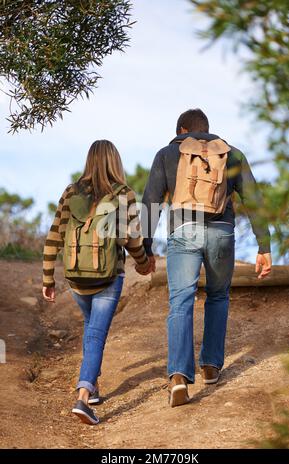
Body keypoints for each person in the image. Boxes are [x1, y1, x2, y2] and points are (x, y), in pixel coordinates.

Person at [142, 108, 272, 407]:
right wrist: (264, 246)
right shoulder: (230, 153)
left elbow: (150, 202)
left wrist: (145, 249)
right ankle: (211, 365)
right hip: (221, 233)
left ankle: (178, 377)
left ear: (181, 132)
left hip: (184, 230)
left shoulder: (167, 153)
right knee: (218, 295)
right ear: (206, 130)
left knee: (181, 300)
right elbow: (254, 198)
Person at [42, 140, 152, 425]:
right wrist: (142, 262)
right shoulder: (123, 194)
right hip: (107, 277)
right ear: (115, 162)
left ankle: (93, 389)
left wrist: (48, 278)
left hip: (76, 279)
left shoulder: (70, 192)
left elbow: (54, 236)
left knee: (92, 329)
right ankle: (82, 397)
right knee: (96, 335)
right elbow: (132, 239)